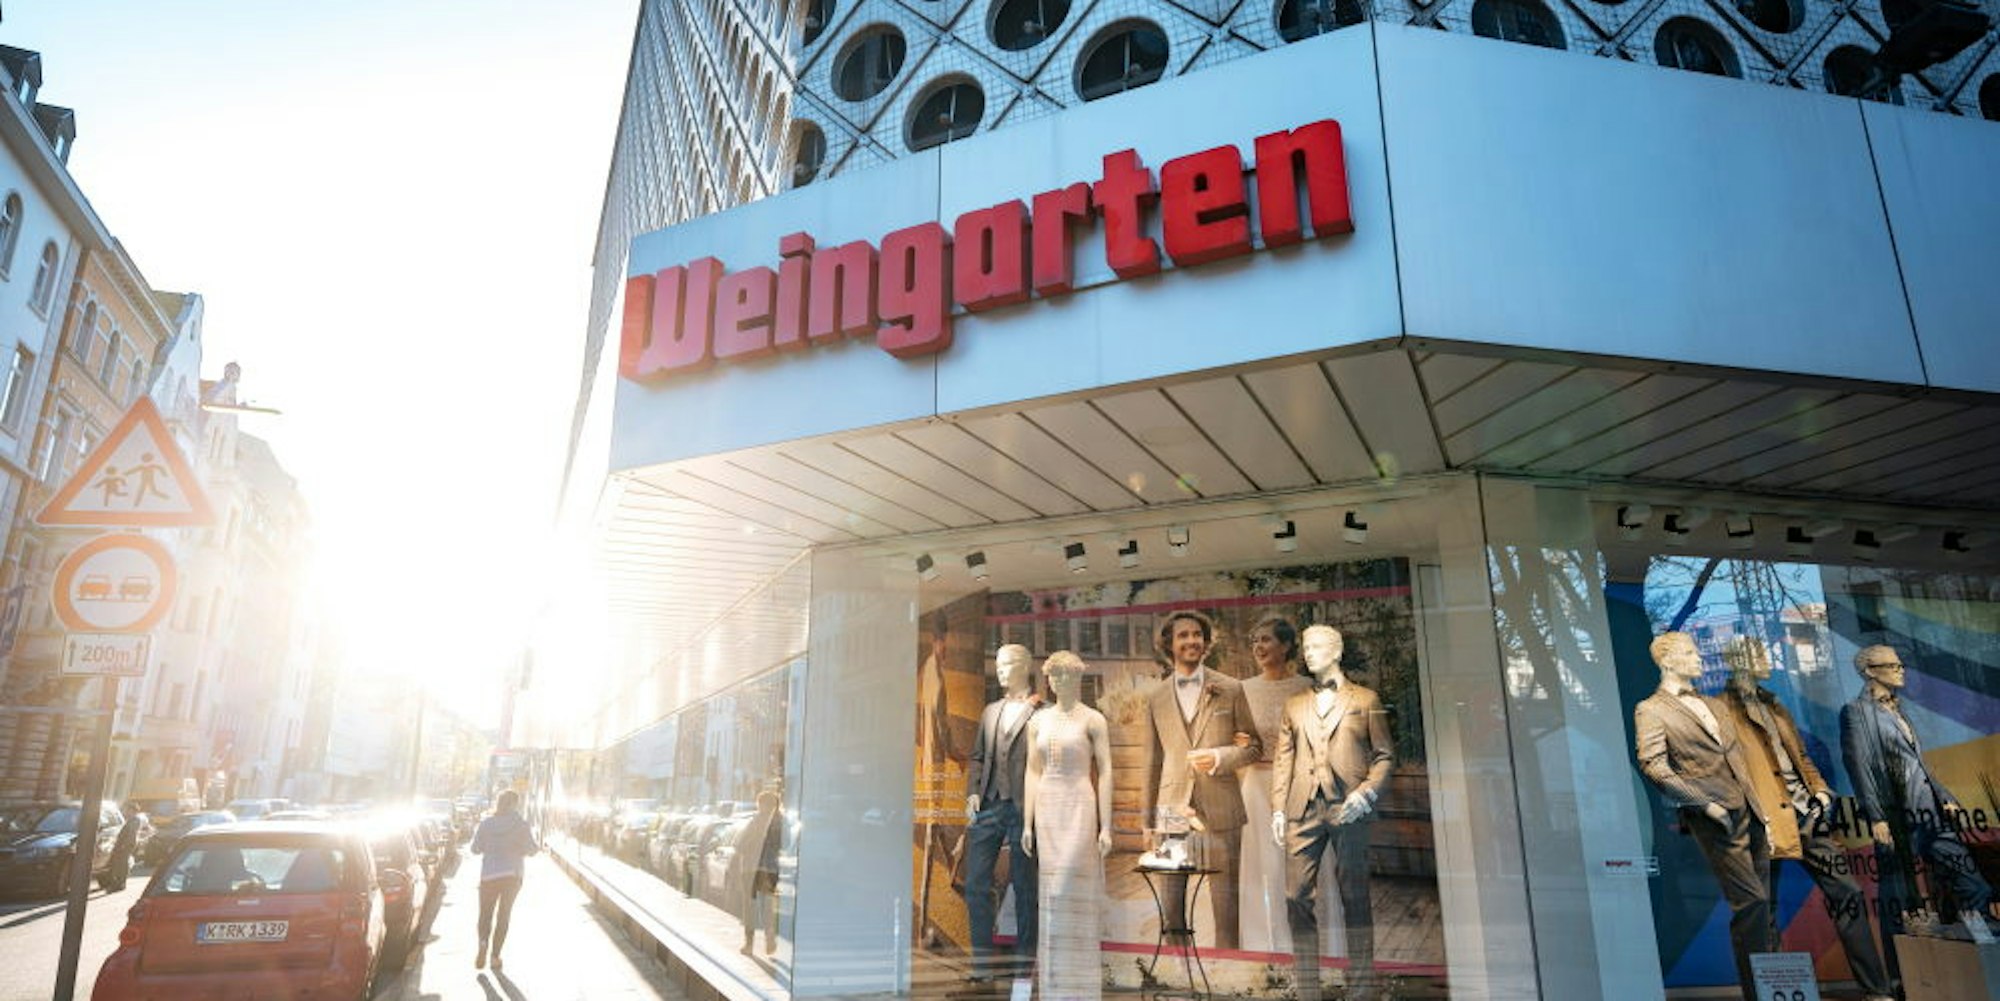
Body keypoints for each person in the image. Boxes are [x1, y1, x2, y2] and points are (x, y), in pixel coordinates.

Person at [1717, 637, 1894, 1001]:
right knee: (1762, 910)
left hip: (1806, 817)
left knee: (1848, 893)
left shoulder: (1775, 705)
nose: (1768, 658)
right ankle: (1770, 994)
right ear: (1740, 660)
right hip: (1764, 821)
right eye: (1760, 652)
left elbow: (1800, 757)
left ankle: (1876, 989)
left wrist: (1821, 792)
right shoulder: (1721, 710)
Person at [1633, 631, 1771, 1001]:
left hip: (1751, 812)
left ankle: (1769, 987)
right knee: (1752, 902)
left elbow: (1739, 760)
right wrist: (1705, 805)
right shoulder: (1651, 709)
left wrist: (1761, 810)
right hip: (1715, 818)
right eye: (1690, 653)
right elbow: (1655, 767)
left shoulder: (1715, 705)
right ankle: (1759, 992)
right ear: (1668, 660)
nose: (1699, 658)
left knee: (1763, 908)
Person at [1839, 645, 1993, 947]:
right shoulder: (1857, 712)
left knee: (1971, 882)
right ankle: (1900, 968)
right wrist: (1877, 817)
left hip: (1928, 810)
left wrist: (1944, 796)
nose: (1900, 670)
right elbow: (1859, 765)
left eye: (1900, 665)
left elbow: (1917, 763)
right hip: (1896, 813)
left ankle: (1985, 943)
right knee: (1898, 895)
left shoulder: (1898, 711)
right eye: (1892, 665)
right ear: (1870, 672)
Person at [1270, 624, 1392, 1001]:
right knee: (1295, 897)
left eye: (1317, 646)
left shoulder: (1366, 699)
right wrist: (1278, 809)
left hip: (1348, 807)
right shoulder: (1294, 704)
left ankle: (1361, 989)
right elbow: (1282, 761)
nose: (1308, 652)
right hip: (1302, 807)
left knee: (1354, 896)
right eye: (1306, 647)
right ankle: (1308, 989)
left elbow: (1385, 756)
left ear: (1336, 651)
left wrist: (1366, 794)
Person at [1142, 610, 1260, 950]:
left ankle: (1228, 967)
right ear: (1169, 643)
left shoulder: (1231, 688)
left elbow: (1254, 746)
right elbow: (1151, 761)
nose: (1192, 640)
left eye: (1197, 634)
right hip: (1171, 809)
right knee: (1171, 902)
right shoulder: (1155, 697)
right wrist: (1147, 821)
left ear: (1206, 642)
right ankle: (1176, 967)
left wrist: (1221, 757)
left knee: (1226, 902)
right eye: (1183, 635)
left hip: (1222, 806)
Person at [1022, 651, 1113, 1001]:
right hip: (1047, 808)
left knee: (1070, 891)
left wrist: (1106, 825)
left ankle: (1082, 988)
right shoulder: (1038, 721)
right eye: (1055, 675)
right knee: (1051, 896)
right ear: (1048, 680)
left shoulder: (1093, 720)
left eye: (1067, 674)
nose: (1061, 680)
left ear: (1079, 678)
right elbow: (1033, 770)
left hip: (1079, 804)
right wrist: (1027, 823)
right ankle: (1056, 987)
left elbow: (1106, 770)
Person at [963, 643, 1042, 981]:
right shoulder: (990, 711)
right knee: (975, 884)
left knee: (1025, 890)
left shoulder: (1043, 712)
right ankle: (983, 967)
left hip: (1025, 810)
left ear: (1024, 666)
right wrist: (973, 792)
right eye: (997, 665)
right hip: (990, 805)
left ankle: (1023, 970)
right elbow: (978, 756)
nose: (999, 670)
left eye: (1006, 664)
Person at [1236, 616, 1312, 953]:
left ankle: (1304, 946)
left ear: (1286, 645)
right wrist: (1238, 744)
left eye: (1266, 640)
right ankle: (1262, 948)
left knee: (1297, 868)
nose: (1259, 647)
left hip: (1297, 786)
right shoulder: (1243, 690)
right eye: (1255, 641)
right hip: (1256, 785)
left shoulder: (1306, 687)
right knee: (1260, 869)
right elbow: (1237, 740)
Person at [471, 789, 542, 971]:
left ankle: (483, 943)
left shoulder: (486, 823)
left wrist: (491, 847)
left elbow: (475, 849)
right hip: (512, 876)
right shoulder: (521, 824)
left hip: (489, 876)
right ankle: (495, 957)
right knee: (504, 915)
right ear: (514, 804)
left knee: (485, 914)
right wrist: (523, 848)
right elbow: (532, 850)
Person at [727, 788, 786, 956]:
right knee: (767, 906)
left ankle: (749, 944)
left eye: (759, 804)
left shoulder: (756, 821)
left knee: (749, 906)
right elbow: (785, 845)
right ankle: (770, 938)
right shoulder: (781, 823)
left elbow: (740, 844)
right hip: (772, 869)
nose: (758, 807)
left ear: (762, 805)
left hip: (751, 869)